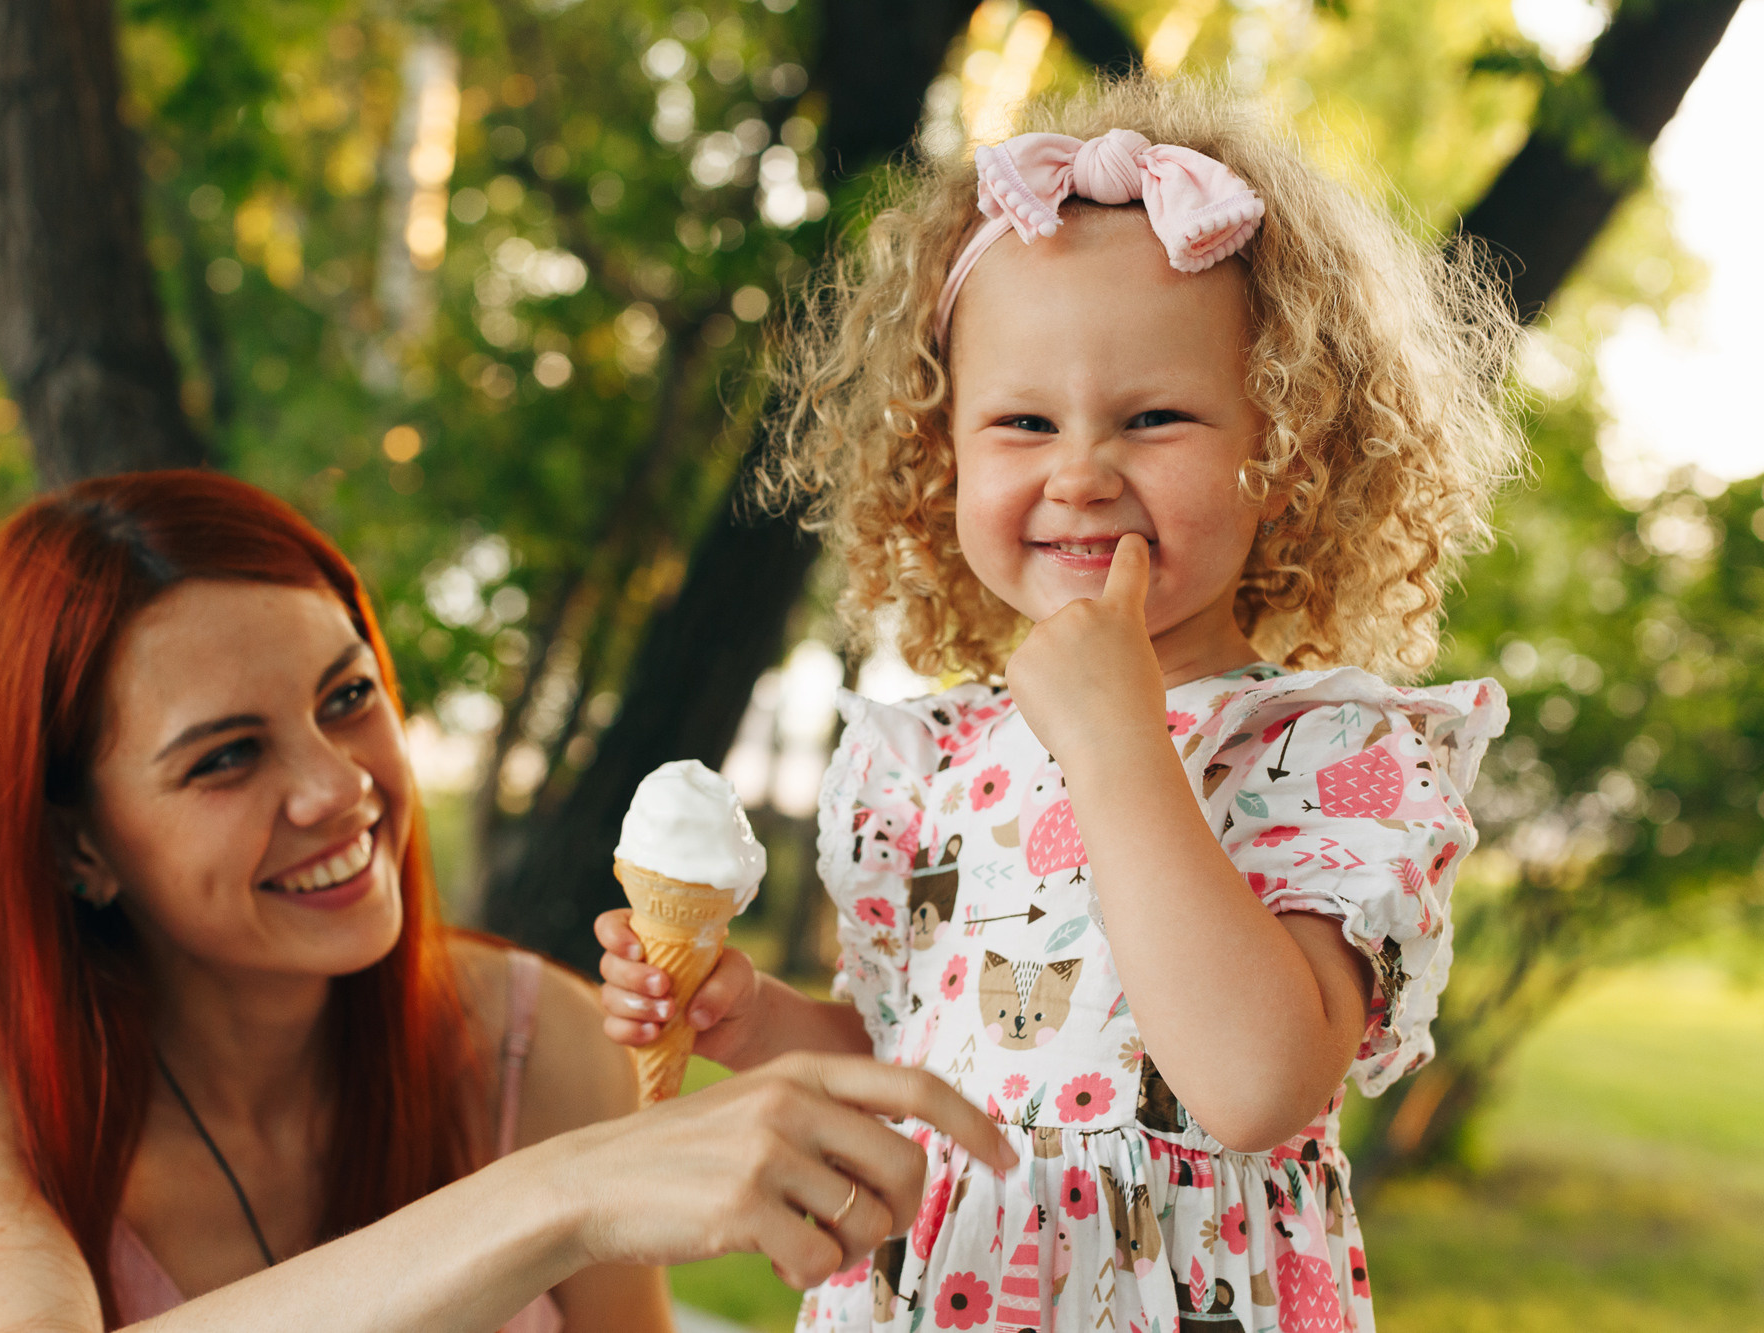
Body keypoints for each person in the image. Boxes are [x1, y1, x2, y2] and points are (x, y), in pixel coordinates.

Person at [597, 75, 1522, 1331]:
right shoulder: (927, 759)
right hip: (941, 1287)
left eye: (1153, 418)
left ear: (1287, 452)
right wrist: (747, 1015)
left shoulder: (1329, 753)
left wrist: (1113, 741)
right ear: (943, 457)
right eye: (1023, 421)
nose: (1080, 474)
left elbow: (1255, 1086)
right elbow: (913, 1058)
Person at [0, 471, 1017, 1333]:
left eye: (346, 696)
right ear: (75, 847)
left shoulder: (538, 1038)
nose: (336, 787)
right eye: (225, 756)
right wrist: (559, 1196)